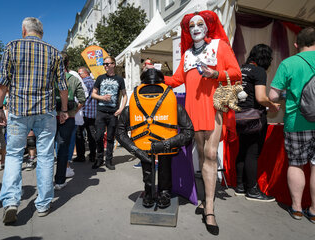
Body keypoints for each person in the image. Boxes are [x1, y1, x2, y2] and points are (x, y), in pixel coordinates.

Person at [164, 11, 241, 235]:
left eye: (200, 24)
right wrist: (157, 76)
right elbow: (178, 79)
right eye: (191, 25)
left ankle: (210, 210)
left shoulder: (220, 46)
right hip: (192, 111)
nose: (196, 28)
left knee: (209, 155)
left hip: (214, 108)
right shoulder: (187, 53)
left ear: (208, 26)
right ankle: (202, 200)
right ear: (188, 31)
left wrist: (215, 73)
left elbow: (236, 73)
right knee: (200, 156)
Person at [0, 17, 68, 224]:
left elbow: (2, 83)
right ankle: (44, 204)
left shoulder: (12, 46)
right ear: (41, 33)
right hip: (46, 112)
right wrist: (63, 110)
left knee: (13, 155)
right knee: (45, 156)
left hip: (19, 111)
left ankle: (11, 201)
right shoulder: (54, 52)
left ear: (24, 30)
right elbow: (62, 86)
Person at [116, 68, 194, 208]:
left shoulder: (133, 102)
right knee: (164, 166)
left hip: (146, 144)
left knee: (151, 166)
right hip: (164, 143)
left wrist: (136, 150)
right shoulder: (172, 101)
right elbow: (189, 131)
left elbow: (120, 132)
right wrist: (167, 143)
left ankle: (154, 192)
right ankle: (160, 192)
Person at [269, 26, 315, 223]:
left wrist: (287, 94)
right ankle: (313, 211)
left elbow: (272, 95)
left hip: (297, 121)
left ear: (296, 44)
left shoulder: (289, 63)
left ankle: (296, 208)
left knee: (296, 163)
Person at [235, 44, 280, 201]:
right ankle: (252, 190)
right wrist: (272, 105)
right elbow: (261, 98)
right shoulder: (259, 71)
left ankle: (240, 186)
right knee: (252, 153)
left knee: (242, 149)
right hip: (254, 117)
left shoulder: (240, 69)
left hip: (238, 115)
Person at [54, 52, 85, 190]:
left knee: (46, 150)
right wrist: (73, 112)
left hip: (50, 117)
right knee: (63, 149)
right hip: (69, 117)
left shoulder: (49, 79)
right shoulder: (73, 79)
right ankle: (60, 180)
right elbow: (83, 99)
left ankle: (46, 182)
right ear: (68, 64)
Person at [91, 56, 128, 170]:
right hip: (101, 112)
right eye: (104, 64)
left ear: (113, 64)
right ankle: (99, 159)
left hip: (113, 113)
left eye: (108, 64)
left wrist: (121, 109)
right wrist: (102, 97)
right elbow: (93, 94)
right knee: (98, 137)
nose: (105, 66)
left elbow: (125, 95)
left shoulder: (119, 79)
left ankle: (109, 160)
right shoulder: (100, 78)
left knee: (111, 138)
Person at [74, 66, 97, 163]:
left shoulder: (84, 83)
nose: (79, 75)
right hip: (92, 112)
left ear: (85, 73)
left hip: (83, 112)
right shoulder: (93, 82)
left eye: (79, 73)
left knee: (79, 135)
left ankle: (81, 156)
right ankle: (92, 155)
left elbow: (81, 97)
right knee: (92, 134)